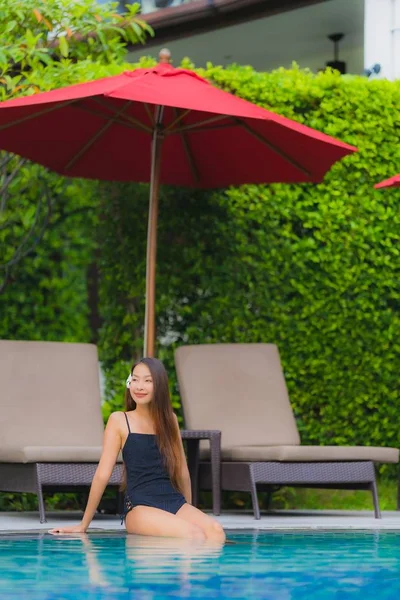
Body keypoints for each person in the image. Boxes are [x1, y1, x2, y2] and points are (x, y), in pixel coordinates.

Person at [49, 357, 225, 543]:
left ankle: (190, 573)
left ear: (159, 386)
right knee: (193, 534)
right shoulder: (119, 420)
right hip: (140, 506)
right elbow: (102, 475)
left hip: (172, 500)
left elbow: (182, 472)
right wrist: (83, 525)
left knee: (216, 532)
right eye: (135, 379)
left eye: (148, 381)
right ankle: (181, 571)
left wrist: (188, 509)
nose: (139, 386)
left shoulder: (170, 420)